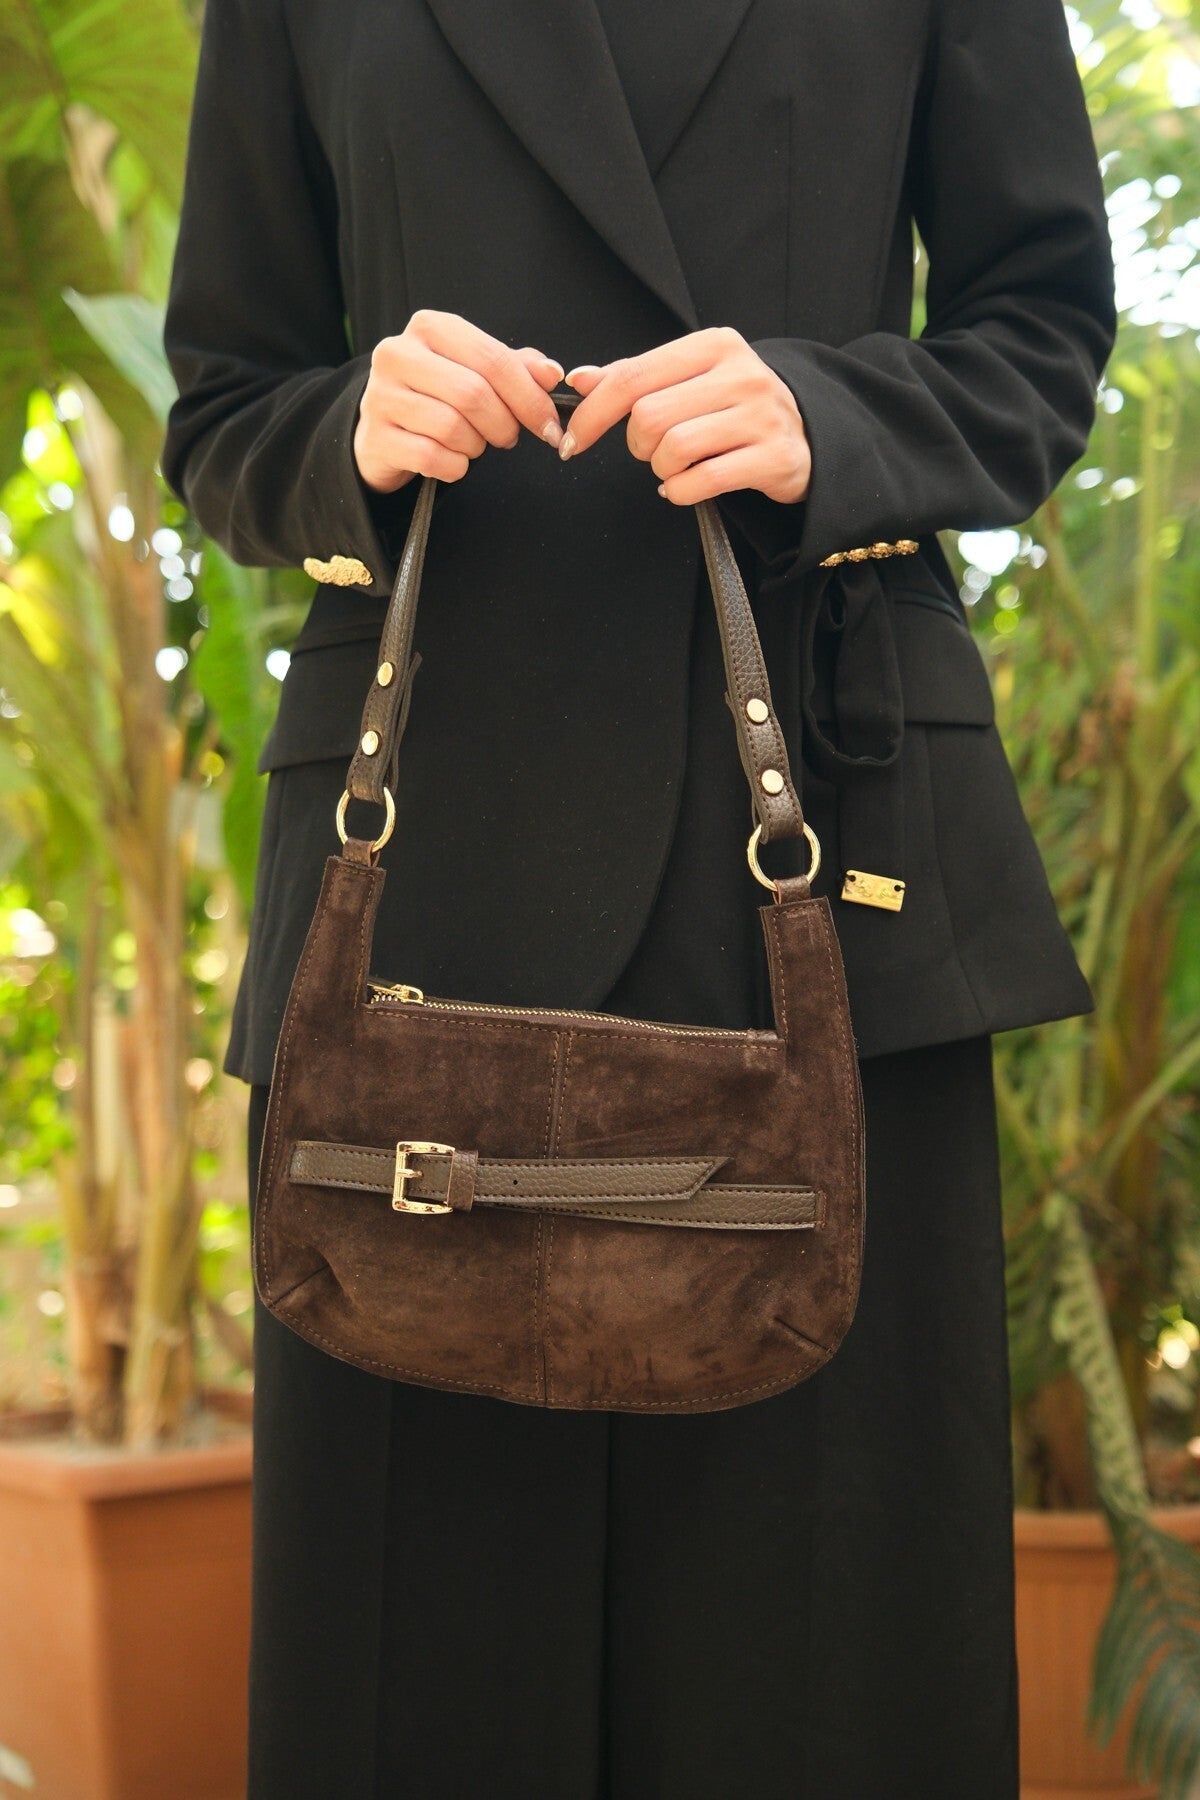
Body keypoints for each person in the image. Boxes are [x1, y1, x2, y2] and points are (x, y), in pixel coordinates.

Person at [160, 1, 1116, 1793]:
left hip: (826, 865)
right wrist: (351, 423)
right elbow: (224, 404)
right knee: (421, 1688)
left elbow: (1043, 333)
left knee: (823, 1688)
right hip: (418, 894)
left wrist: (832, 411)